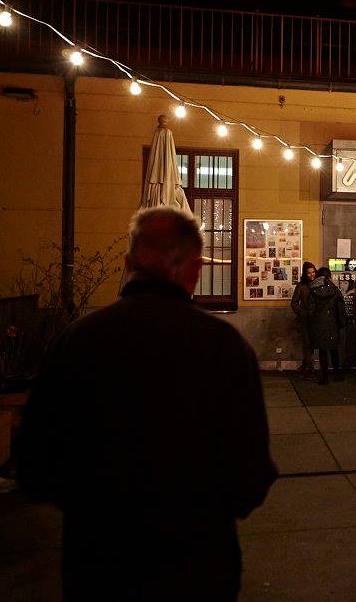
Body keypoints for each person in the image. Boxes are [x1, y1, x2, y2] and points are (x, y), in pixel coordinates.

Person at [17, 206, 277, 601]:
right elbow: (251, 472)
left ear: (128, 264)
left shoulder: (78, 341)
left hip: (98, 563)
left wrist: (93, 507)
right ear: (195, 268)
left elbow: (36, 464)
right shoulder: (223, 346)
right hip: (198, 562)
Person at [308, 267, 346, 384]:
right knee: (334, 349)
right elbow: (340, 308)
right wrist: (341, 323)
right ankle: (336, 374)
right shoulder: (335, 290)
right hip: (333, 323)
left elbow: (311, 310)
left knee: (322, 351)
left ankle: (324, 377)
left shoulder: (313, 290)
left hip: (319, 324)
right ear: (329, 276)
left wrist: (312, 322)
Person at [290, 261, 318, 380]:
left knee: (310, 345)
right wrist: (302, 313)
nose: (312, 275)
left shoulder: (318, 284)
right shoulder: (301, 286)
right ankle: (310, 371)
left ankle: (304, 366)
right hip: (305, 320)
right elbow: (294, 303)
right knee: (307, 344)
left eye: (313, 272)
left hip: (315, 319)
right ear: (305, 274)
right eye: (309, 273)